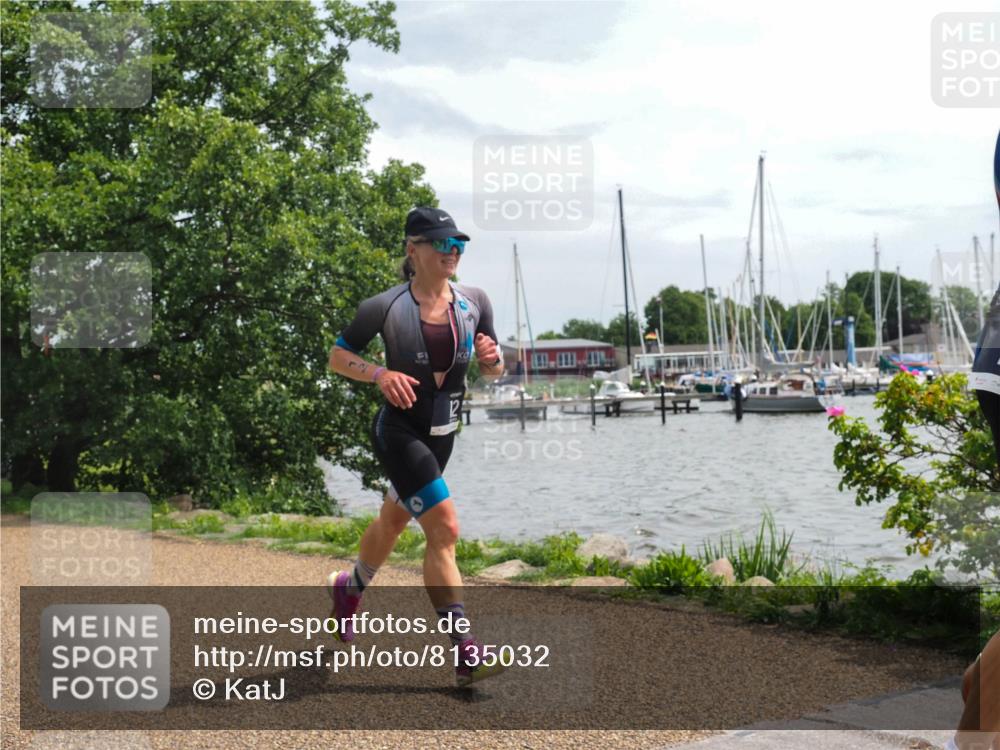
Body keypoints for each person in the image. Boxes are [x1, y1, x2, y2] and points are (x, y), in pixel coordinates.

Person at [326, 206, 506, 687]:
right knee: (444, 529)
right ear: (413, 249)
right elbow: (338, 356)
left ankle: (350, 587)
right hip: (398, 431)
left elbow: (493, 368)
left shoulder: (474, 301)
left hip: (444, 435)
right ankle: (466, 649)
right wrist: (380, 374)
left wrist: (493, 360)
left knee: (393, 519)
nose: (454, 253)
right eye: (443, 244)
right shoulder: (384, 307)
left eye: (459, 245)